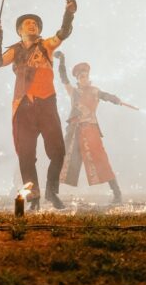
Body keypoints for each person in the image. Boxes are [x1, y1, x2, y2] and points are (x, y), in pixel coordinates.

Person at [0, 0, 77, 210]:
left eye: (35, 23)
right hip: (23, 107)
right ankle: (34, 198)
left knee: (58, 152)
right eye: (27, 23)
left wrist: (69, 14)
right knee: (26, 155)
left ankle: (51, 192)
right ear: (19, 31)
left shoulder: (46, 44)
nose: (32, 25)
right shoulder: (15, 50)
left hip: (47, 103)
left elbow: (63, 33)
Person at [55, 52, 131, 204]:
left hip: (91, 130)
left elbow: (106, 96)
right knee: (63, 159)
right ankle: (52, 194)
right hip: (75, 131)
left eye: (84, 76)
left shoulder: (95, 90)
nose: (83, 78)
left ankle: (117, 194)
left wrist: (116, 100)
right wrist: (62, 61)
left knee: (101, 159)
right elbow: (63, 79)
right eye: (80, 77)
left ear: (88, 77)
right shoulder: (73, 92)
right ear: (77, 79)